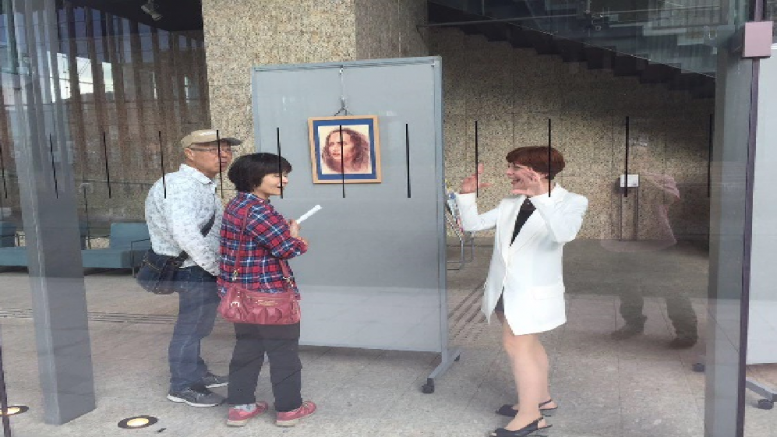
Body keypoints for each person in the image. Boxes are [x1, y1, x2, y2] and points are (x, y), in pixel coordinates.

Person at [456, 146, 588, 437]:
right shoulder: (511, 202)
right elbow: (473, 225)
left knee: (517, 346)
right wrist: (466, 195)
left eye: (515, 167)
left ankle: (530, 417)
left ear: (538, 172)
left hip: (532, 292)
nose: (508, 172)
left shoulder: (572, 201)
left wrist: (539, 196)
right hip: (503, 287)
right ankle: (542, 399)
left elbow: (563, 234)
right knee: (529, 345)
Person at [219, 153, 316, 428]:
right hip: (270, 295)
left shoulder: (236, 205)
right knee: (283, 352)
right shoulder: (260, 210)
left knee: (246, 348)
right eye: (277, 175)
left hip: (241, 294)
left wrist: (282, 231)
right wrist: (297, 238)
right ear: (254, 177)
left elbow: (257, 240)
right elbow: (286, 248)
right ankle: (289, 409)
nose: (284, 180)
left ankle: (241, 408)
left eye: (285, 175)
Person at [145, 129, 239, 407]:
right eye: (213, 149)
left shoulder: (202, 184)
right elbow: (186, 235)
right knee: (191, 327)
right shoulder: (179, 186)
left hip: (198, 267)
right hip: (192, 268)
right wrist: (216, 268)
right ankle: (183, 385)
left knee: (198, 325)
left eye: (227, 149)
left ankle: (196, 371)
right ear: (189, 153)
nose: (223, 155)